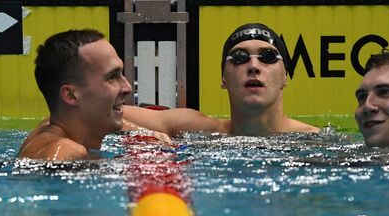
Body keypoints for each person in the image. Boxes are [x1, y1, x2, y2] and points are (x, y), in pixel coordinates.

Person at [122, 23, 319, 136]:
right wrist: (142, 132)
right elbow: (101, 113)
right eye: (239, 57)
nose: (253, 66)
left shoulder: (313, 140)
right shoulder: (197, 130)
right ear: (223, 78)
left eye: (267, 56)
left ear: (285, 77)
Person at [18, 29, 168, 161]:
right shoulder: (67, 154)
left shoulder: (51, 127)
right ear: (71, 95)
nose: (128, 87)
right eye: (111, 77)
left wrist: (143, 133)